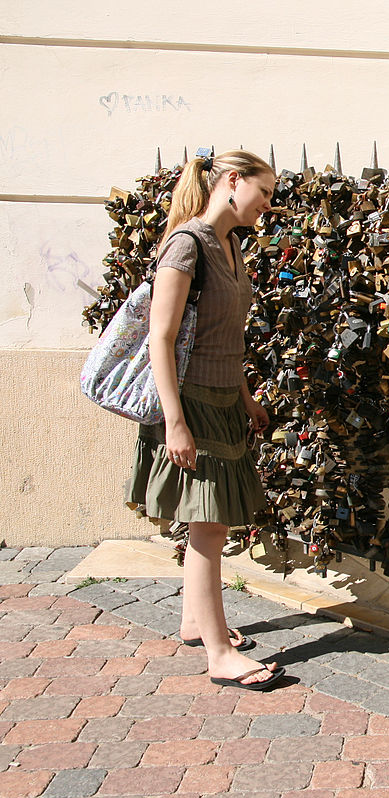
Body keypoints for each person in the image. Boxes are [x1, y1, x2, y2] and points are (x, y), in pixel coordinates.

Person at [125, 149, 284, 690]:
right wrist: (175, 423)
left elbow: (226, 338)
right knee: (210, 524)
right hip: (190, 403)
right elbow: (161, 339)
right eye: (263, 192)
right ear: (233, 181)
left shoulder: (231, 246)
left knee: (207, 522)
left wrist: (244, 398)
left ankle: (196, 622)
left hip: (221, 399)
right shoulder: (186, 246)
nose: (268, 204)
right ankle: (218, 654)